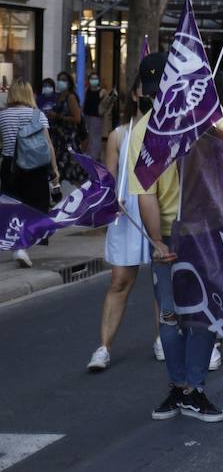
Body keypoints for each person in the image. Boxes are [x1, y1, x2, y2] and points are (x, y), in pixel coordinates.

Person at [128, 54, 223, 424]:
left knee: (174, 315)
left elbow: (145, 192)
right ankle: (189, 389)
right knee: (193, 313)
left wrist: (158, 243)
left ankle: (184, 387)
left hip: (187, 229)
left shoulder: (146, 130)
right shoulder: (198, 119)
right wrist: (158, 241)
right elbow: (145, 193)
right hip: (195, 229)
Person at [87, 84, 155, 372]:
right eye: (144, 87)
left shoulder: (167, 131)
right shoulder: (119, 134)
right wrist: (110, 197)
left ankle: (164, 339)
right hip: (127, 215)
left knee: (162, 283)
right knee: (119, 281)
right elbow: (109, 177)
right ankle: (103, 348)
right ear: (134, 94)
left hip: (158, 211)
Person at [0, 80, 61, 268]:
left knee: (13, 207)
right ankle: (22, 246)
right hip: (36, 167)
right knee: (36, 207)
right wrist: (55, 170)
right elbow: (48, 145)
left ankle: (18, 245)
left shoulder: (3, 116)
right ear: (29, 94)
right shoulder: (38, 115)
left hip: (10, 166)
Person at [50, 70, 85, 185]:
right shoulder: (59, 96)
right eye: (59, 79)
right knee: (59, 166)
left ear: (69, 83)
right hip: (58, 138)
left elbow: (77, 118)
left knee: (70, 166)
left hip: (68, 137)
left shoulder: (70, 97)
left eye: (64, 80)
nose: (61, 82)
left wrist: (58, 117)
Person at [81, 72, 112, 159]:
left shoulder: (102, 91)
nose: (93, 80)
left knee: (95, 137)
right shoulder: (87, 90)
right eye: (92, 78)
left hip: (96, 117)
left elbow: (106, 104)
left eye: (95, 78)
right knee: (88, 136)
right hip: (87, 115)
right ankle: (88, 155)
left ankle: (94, 156)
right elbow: (85, 103)